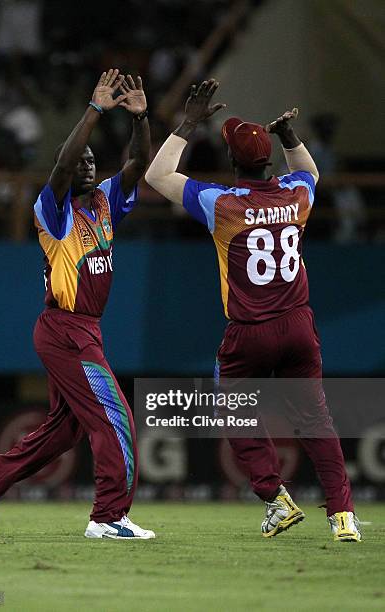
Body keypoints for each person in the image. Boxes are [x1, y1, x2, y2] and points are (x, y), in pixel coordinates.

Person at [145, 79, 360, 542]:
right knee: (315, 419)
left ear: (231, 161)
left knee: (232, 408)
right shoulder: (295, 194)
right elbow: (312, 173)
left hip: (249, 332)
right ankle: (343, 515)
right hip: (299, 325)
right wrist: (291, 138)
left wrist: (186, 124)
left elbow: (156, 177)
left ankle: (276, 500)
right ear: (266, 159)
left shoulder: (221, 203)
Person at [0, 69, 155, 540]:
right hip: (65, 329)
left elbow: (140, 163)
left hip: (85, 328)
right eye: (79, 160)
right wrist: (93, 110)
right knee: (114, 417)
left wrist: (142, 118)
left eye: (93, 159)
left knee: (66, 430)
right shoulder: (53, 210)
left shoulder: (107, 200)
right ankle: (108, 518)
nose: (87, 164)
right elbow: (64, 166)